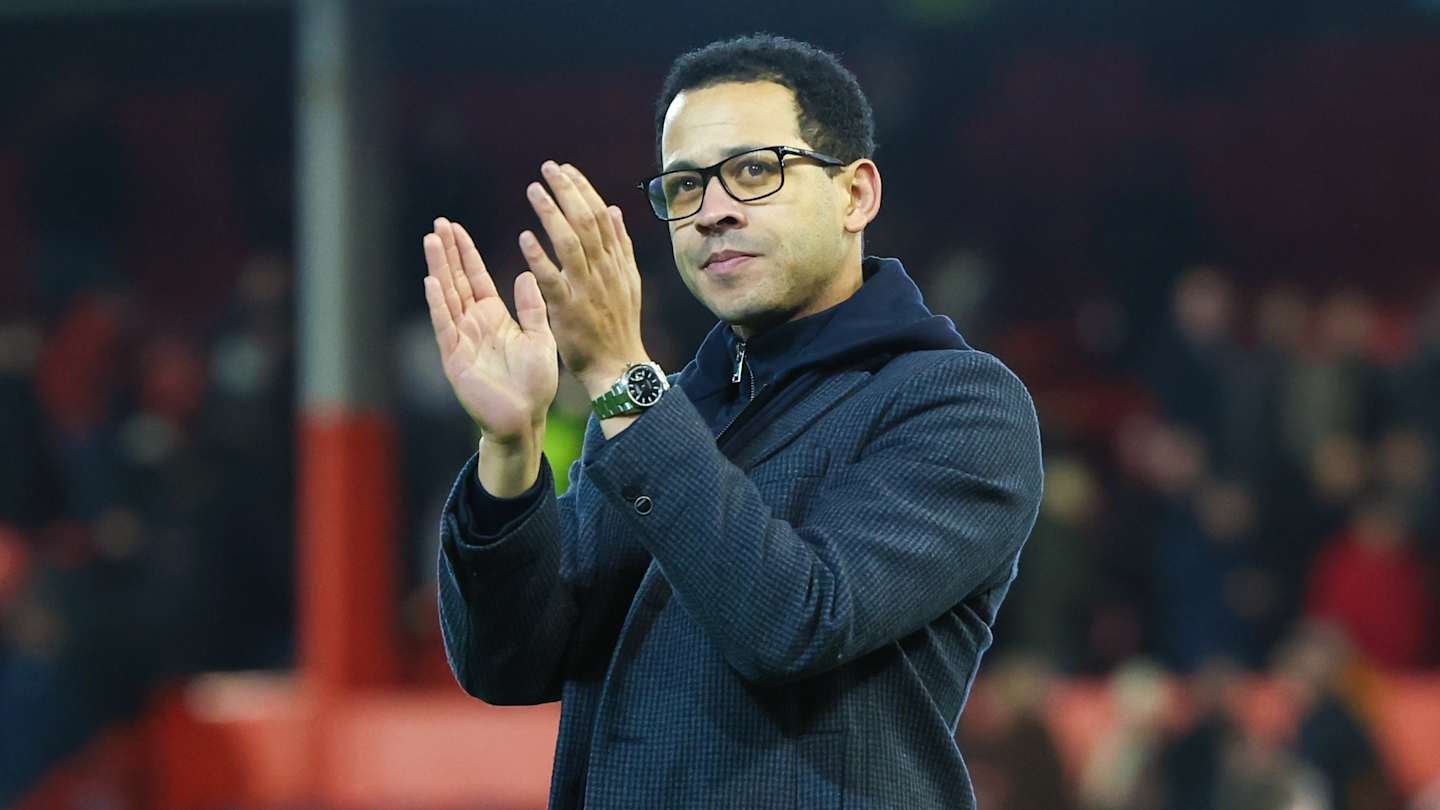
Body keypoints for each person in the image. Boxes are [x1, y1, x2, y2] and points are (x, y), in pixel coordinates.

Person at [423, 34, 1044, 809]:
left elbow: (796, 619)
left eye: (755, 171)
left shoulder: (958, 403)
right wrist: (510, 448)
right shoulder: (661, 412)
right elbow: (508, 664)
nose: (712, 212)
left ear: (855, 195)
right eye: (684, 187)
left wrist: (621, 375)